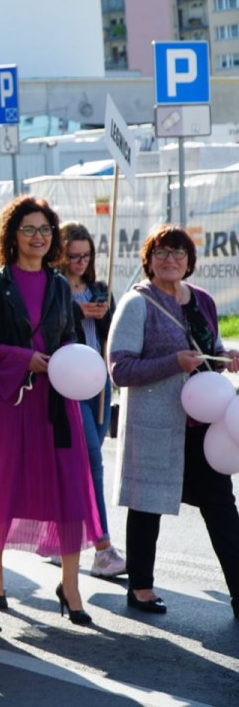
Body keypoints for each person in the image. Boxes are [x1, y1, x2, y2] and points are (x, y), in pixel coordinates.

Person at [0, 196, 101, 625]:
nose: (39, 237)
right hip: (10, 401)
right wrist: (19, 357)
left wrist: (68, 359)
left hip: (56, 403)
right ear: (12, 235)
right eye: (29, 229)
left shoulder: (62, 286)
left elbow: (67, 338)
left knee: (69, 490)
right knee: (2, 486)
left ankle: (72, 587)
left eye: (45, 229)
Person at [107, 225, 239, 619]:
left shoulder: (202, 300)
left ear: (190, 261)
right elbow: (119, 369)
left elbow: (209, 350)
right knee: (147, 505)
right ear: (147, 260)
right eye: (161, 252)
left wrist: (226, 356)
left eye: (178, 253)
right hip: (157, 425)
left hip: (203, 425)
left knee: (221, 505)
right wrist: (172, 363)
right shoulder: (136, 304)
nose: (170, 259)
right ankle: (141, 589)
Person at [58, 222, 127, 579]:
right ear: (61, 254)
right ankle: (102, 547)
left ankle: (63, 537)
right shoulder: (55, 289)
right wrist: (77, 312)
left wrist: (104, 316)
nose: (80, 262)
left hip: (99, 384)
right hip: (69, 384)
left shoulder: (99, 289)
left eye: (86, 256)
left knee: (81, 464)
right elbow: (52, 328)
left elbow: (111, 335)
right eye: (73, 256)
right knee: (92, 461)